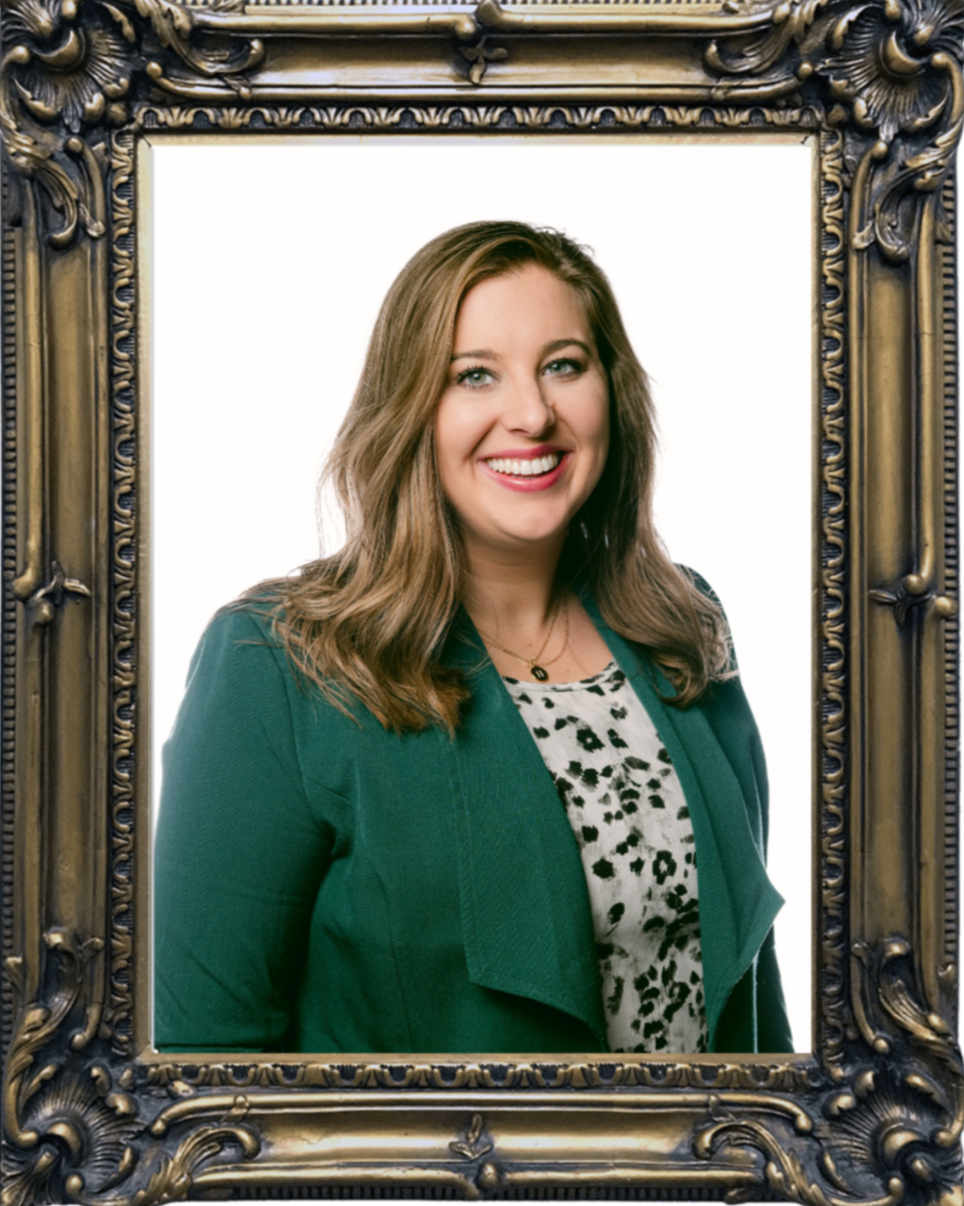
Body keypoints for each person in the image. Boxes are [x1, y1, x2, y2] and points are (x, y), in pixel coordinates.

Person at [154, 220, 792, 1056]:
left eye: (564, 365)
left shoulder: (680, 625)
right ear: (410, 408)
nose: (531, 414)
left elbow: (751, 989)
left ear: (613, 390)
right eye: (474, 376)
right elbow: (202, 1061)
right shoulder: (277, 666)